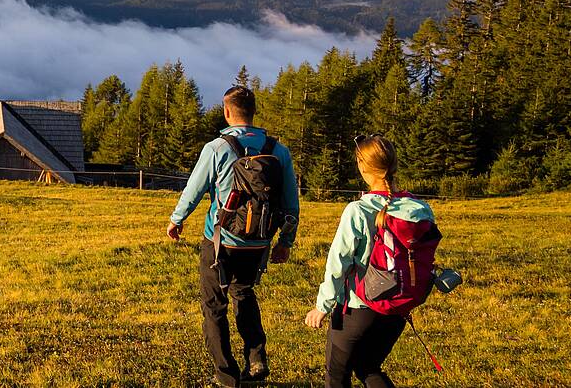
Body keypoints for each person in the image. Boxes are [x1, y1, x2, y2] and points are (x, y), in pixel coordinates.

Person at [168, 86, 301, 386]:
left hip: (220, 241)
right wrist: (285, 242)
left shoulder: (216, 148)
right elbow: (291, 203)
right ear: (253, 113)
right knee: (244, 294)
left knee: (214, 305)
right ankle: (256, 360)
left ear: (227, 112)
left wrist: (176, 220)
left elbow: (194, 191)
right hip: (259, 243)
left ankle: (226, 375)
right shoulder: (278, 151)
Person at [303, 136, 437, 388]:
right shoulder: (421, 208)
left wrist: (323, 306)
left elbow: (338, 263)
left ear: (362, 167)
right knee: (367, 367)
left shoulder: (357, 210)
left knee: (336, 376)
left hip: (357, 309)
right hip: (398, 308)